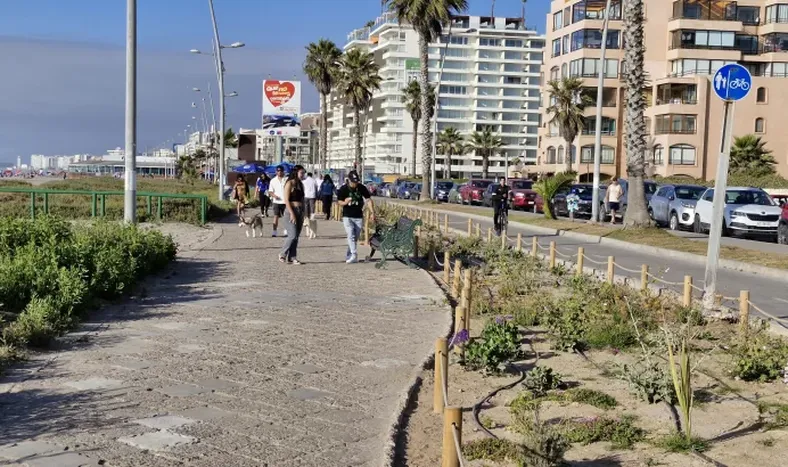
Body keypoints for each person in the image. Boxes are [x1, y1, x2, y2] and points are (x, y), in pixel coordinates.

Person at [337, 170, 374, 264]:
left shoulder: (361, 188)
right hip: (347, 216)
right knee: (351, 235)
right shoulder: (343, 189)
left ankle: (349, 256)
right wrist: (345, 202)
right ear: (349, 180)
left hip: (358, 216)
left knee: (355, 237)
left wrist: (372, 212)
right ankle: (354, 254)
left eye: (356, 182)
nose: (355, 184)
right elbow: (339, 202)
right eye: (353, 182)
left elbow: (368, 199)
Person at [279, 165, 306, 265]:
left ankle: (292, 257)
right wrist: (292, 213)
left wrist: (304, 212)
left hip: (300, 211)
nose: (303, 175)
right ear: (296, 172)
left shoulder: (300, 184)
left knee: (296, 236)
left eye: (304, 173)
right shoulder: (289, 183)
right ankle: (282, 253)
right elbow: (286, 200)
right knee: (292, 235)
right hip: (291, 210)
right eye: (301, 173)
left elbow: (302, 199)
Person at [268, 165, 288, 237]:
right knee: (276, 216)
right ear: (276, 172)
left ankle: (286, 230)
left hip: (285, 201)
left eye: (281, 171)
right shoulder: (273, 180)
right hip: (276, 201)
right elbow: (270, 191)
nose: (279, 172)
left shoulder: (286, 179)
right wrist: (274, 196)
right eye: (278, 171)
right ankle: (274, 231)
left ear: (283, 171)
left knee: (285, 217)